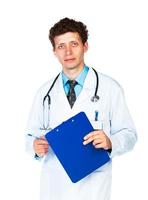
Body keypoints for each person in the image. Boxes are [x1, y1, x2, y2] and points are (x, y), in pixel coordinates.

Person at [25, 17, 137, 200]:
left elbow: (130, 134)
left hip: (93, 189)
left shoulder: (110, 88)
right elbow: (29, 136)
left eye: (74, 44)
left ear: (85, 46)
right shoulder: (44, 93)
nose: (68, 51)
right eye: (61, 46)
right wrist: (34, 147)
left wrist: (111, 142)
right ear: (54, 51)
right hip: (54, 188)